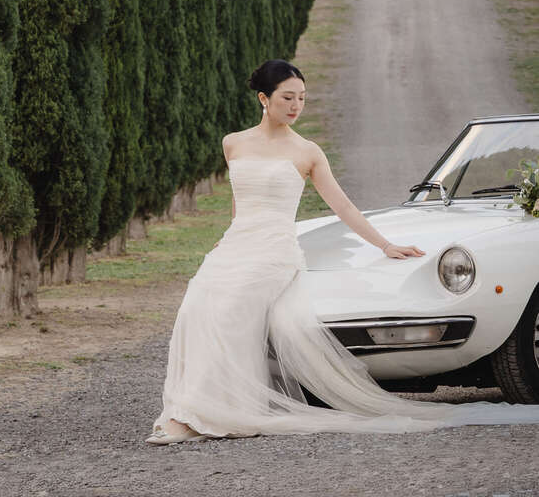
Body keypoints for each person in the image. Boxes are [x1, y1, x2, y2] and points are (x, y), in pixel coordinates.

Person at [146, 59, 539, 444]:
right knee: (196, 310)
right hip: (235, 246)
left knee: (230, 314)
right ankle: (194, 408)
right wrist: (228, 236)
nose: (296, 106)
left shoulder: (307, 151)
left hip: (273, 251)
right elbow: (240, 200)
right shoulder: (233, 143)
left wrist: (386, 245)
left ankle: (201, 414)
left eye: (302, 98)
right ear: (264, 99)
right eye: (287, 98)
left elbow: (344, 207)